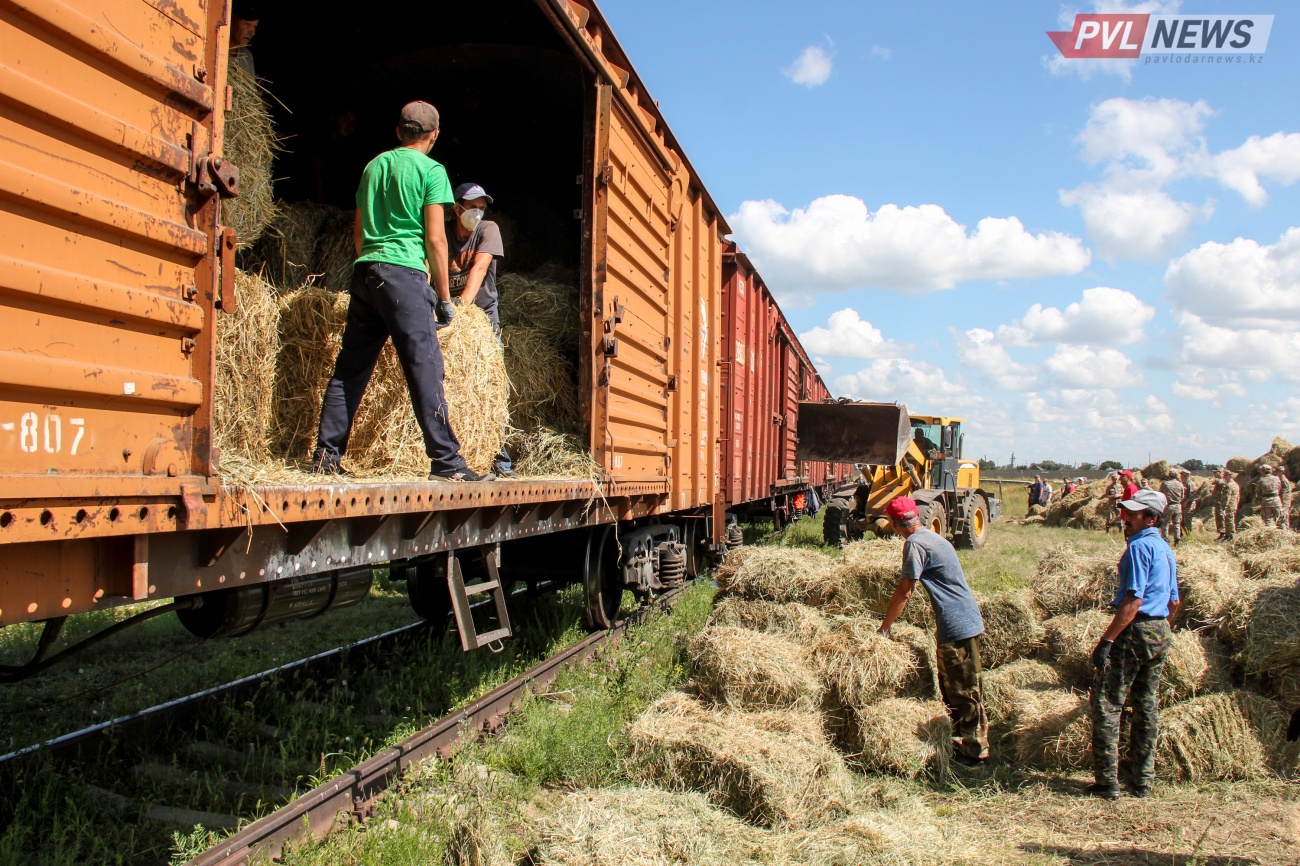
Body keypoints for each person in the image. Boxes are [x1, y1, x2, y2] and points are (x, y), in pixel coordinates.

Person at [313, 102, 490, 482]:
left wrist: (373, 267)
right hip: (405, 275)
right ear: (434, 135)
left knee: (351, 368)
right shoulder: (431, 171)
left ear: (398, 131)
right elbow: (436, 240)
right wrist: (444, 299)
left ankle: (326, 457)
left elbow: (358, 232)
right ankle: (447, 463)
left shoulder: (374, 166)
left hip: (366, 272)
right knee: (425, 367)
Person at [877, 497, 989, 766]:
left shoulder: (914, 543)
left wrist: (885, 627)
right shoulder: (934, 537)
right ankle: (962, 741)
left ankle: (976, 752)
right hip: (962, 618)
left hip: (956, 623)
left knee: (963, 687)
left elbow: (906, 589)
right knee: (953, 683)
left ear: (894, 524)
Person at [1087, 488, 1180, 800]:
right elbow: (1175, 603)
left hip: (1136, 629)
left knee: (1107, 703)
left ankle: (1107, 782)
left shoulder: (1139, 547)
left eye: (1133, 514)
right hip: (1159, 631)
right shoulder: (1166, 549)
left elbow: (1134, 598)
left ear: (1151, 518)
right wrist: (1160, 629)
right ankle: (1142, 780)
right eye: (1125, 513)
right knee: (1146, 704)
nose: (1125, 518)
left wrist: (1107, 640)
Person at [447, 182, 513, 476]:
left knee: (490, 383)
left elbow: (479, 269)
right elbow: (427, 263)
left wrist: (459, 309)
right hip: (445, 314)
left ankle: (500, 458)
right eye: (471, 206)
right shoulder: (442, 232)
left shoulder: (488, 230)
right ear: (456, 207)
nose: (476, 212)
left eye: (481, 207)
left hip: (481, 317)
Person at [229, 1, 260, 77]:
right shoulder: (216, 51)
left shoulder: (247, 56)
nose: (252, 32)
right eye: (247, 24)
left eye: (254, 26)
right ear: (232, 21)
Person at [1159, 471, 1186, 545]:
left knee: (1165, 523)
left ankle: (1165, 540)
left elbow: (1160, 493)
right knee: (1177, 523)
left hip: (1169, 506)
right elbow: (1182, 496)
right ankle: (1177, 539)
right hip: (1177, 506)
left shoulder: (1165, 484)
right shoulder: (1180, 484)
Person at [1222, 469, 1241, 541]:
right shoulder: (1236, 485)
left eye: (1224, 476)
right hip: (1234, 504)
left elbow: (1227, 497)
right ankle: (1228, 535)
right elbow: (1238, 496)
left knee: (1229, 521)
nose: (1223, 477)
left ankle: (1231, 535)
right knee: (1229, 520)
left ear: (1228, 476)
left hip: (1229, 506)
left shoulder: (1229, 486)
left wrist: (1224, 507)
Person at [1279, 466, 1294, 530]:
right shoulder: (1282, 479)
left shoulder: (1283, 480)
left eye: (1277, 471)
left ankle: (1284, 527)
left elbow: (1284, 492)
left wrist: (1281, 500)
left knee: (1284, 512)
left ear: (1280, 472)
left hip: (1285, 499)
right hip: (1285, 498)